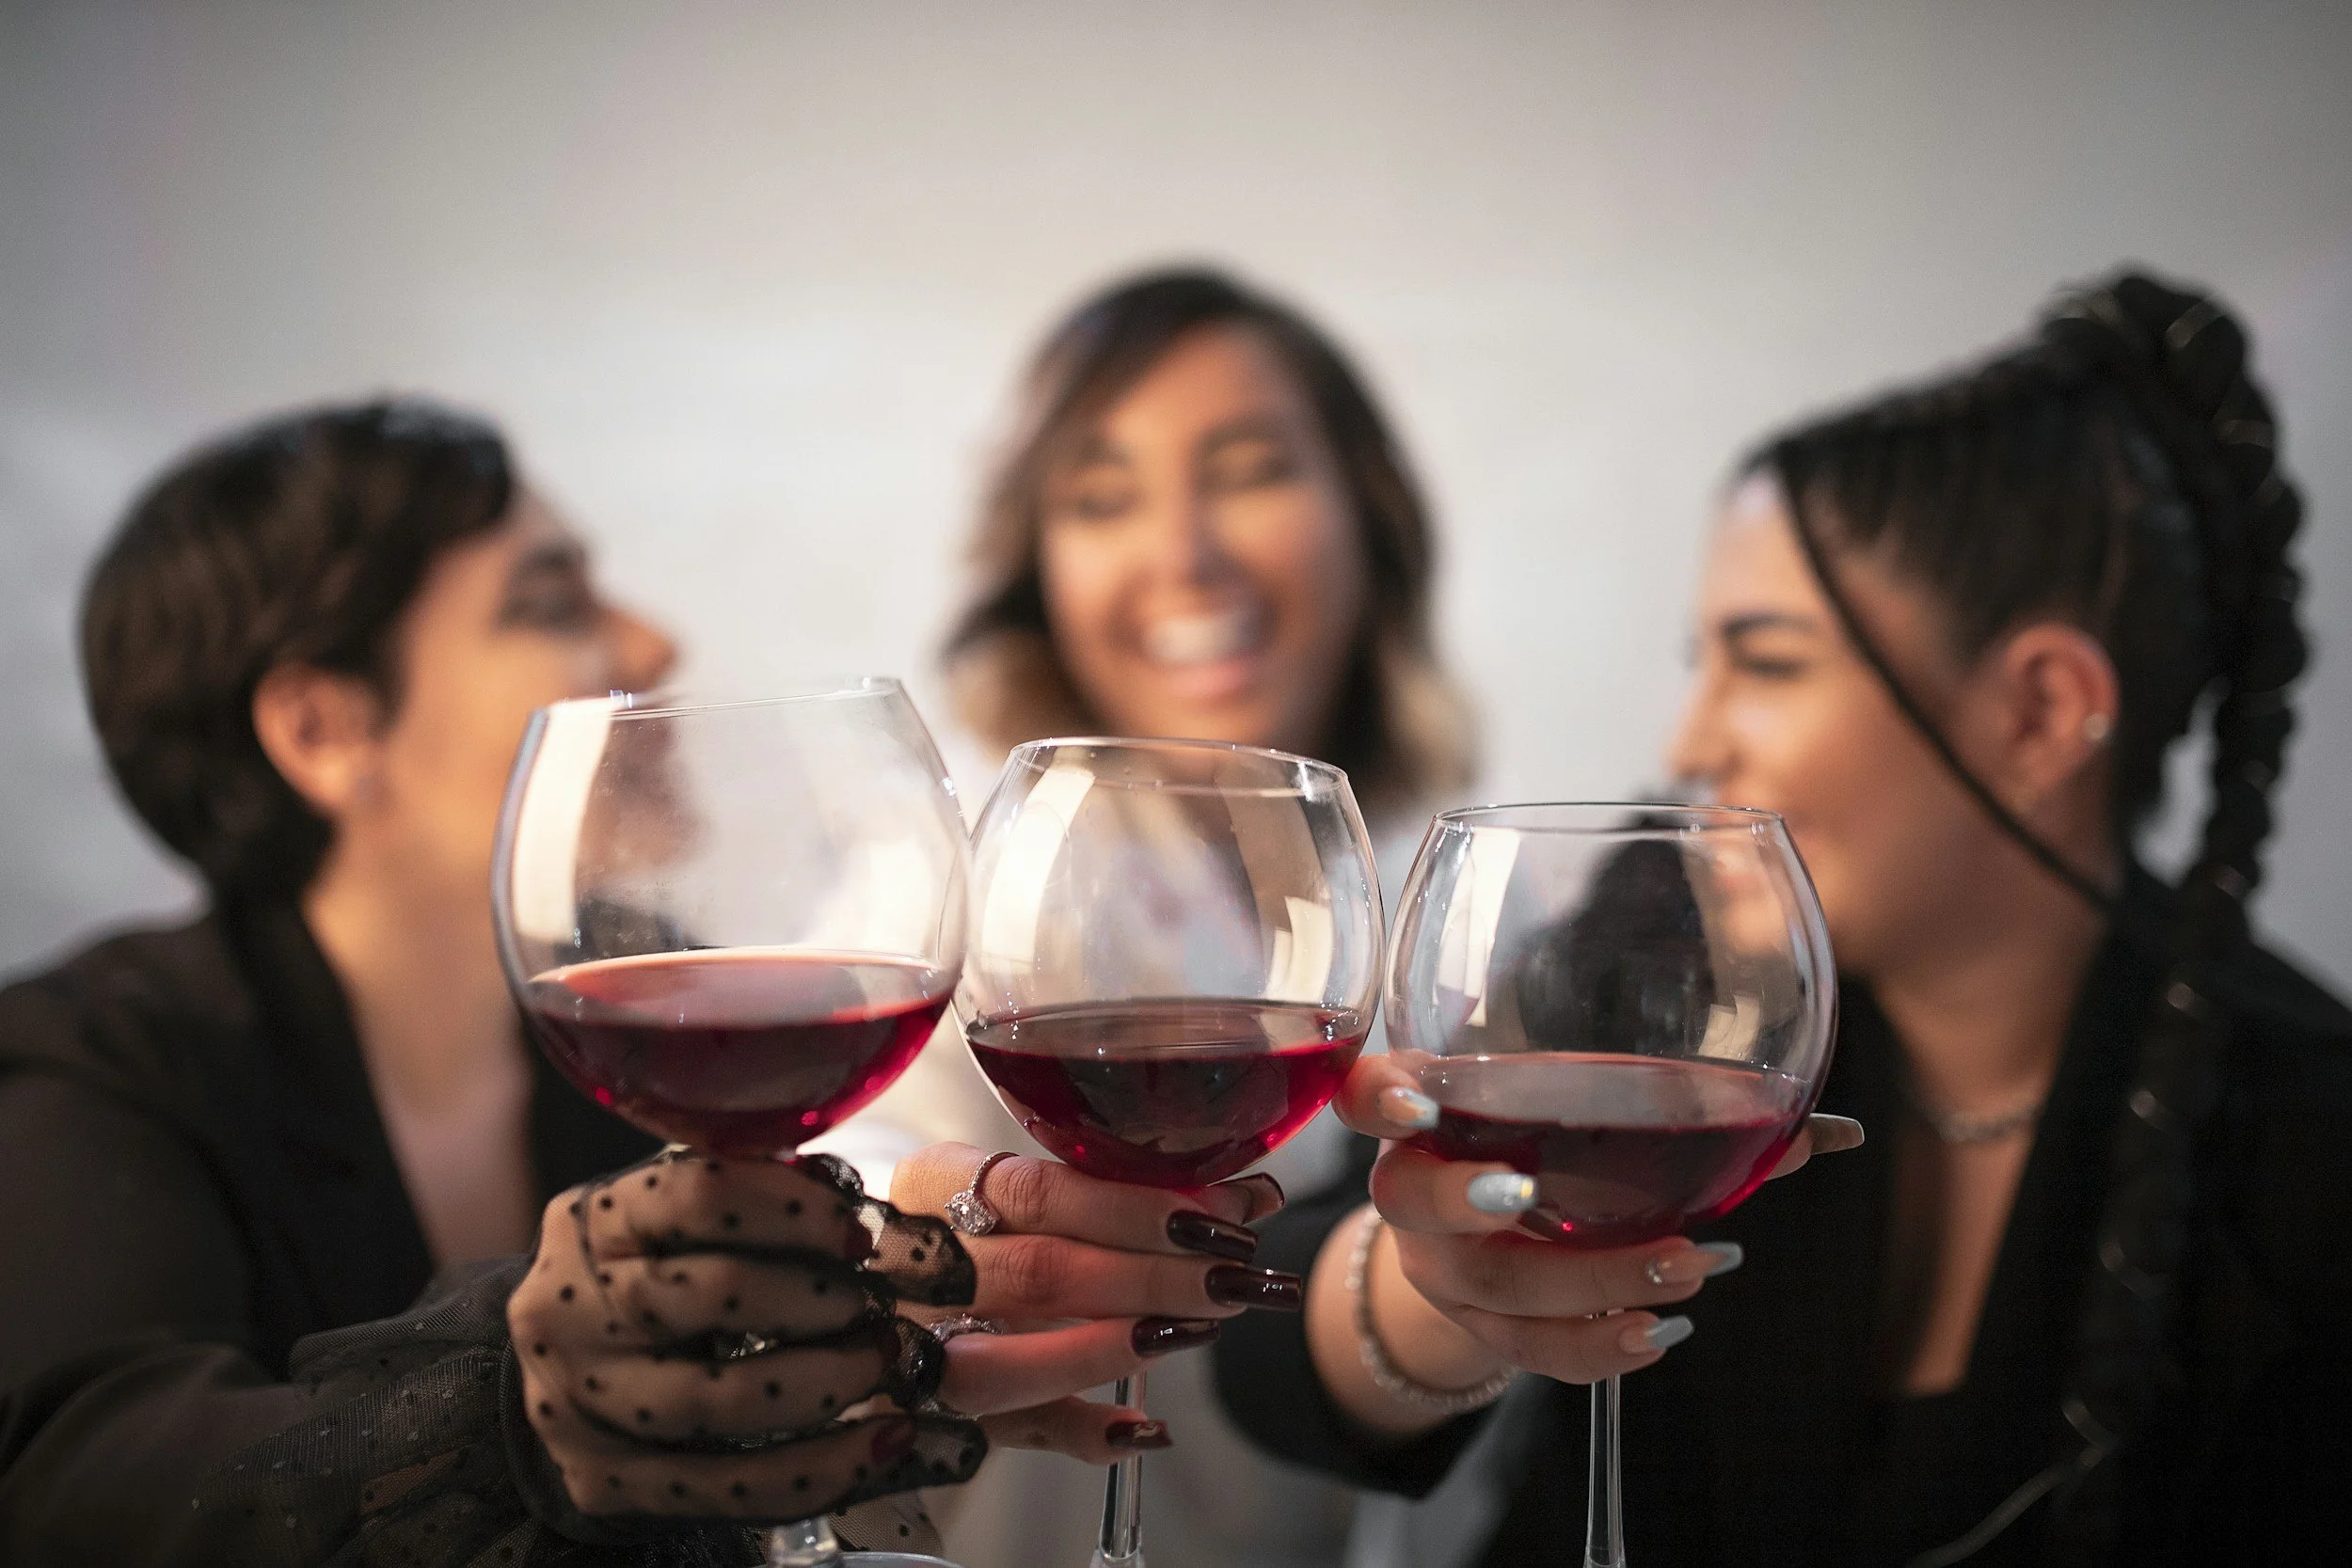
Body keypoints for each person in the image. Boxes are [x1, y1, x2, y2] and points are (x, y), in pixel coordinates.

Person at [0, 400, 1307, 1562]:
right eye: (550, 600)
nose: (650, 637)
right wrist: (506, 1418)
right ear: (324, 729)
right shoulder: (95, 1063)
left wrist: (850, 1357)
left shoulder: (670, 1035)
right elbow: (78, 1482)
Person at [1216, 270, 2352, 1566]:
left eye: (1766, 661)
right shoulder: (1675, 939)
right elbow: (1265, 1350)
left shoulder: (2312, 1156)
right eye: (1702, 664)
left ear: (2039, 710)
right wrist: (1440, 1300)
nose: (1694, 741)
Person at [825, 266, 1476, 1568]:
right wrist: (913, 1242)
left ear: (1371, 512)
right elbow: (834, 1201)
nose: (1184, 553)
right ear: (1041, 566)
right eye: (1102, 497)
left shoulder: (1433, 883)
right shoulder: (967, 886)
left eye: (1246, 469)